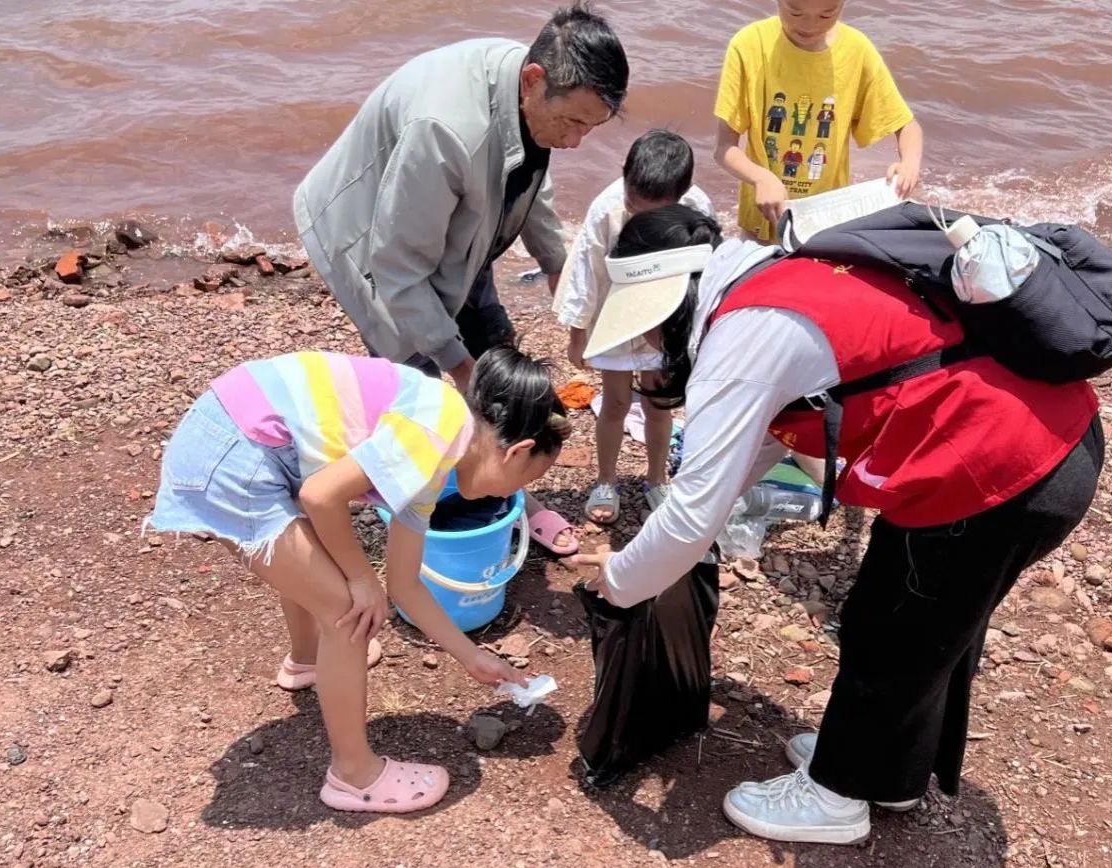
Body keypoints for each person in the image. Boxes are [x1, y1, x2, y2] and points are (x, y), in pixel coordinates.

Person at [571, 205, 1103, 845]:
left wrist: (619, 582)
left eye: (654, 328)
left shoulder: (745, 336)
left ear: (678, 299)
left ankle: (836, 797)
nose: (655, 348)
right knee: (914, 620)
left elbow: (691, 515)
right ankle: (889, 773)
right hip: (1032, 446)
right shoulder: (777, 282)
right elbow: (738, 464)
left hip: (999, 465)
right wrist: (682, 535)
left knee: (895, 632)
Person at [145, 347, 571, 813]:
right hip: (232, 452)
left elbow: (405, 586)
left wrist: (472, 657)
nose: (515, 492)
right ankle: (354, 775)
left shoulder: (440, 452)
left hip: (242, 437)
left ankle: (307, 662)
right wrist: (361, 578)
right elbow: (321, 496)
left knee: (321, 571)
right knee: (348, 610)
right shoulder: (436, 430)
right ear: (517, 451)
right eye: (527, 478)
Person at [294, 2, 629, 554]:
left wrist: (556, 264)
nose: (575, 142)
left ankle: (505, 485)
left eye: (589, 128)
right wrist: (457, 364)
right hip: (367, 235)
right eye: (572, 123)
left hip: (455, 227)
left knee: (495, 352)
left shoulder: (532, 92)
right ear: (533, 81)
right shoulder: (446, 130)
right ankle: (408, 502)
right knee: (423, 383)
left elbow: (528, 179)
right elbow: (398, 269)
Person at [553, 129, 714, 523]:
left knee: (659, 405)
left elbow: (705, 270)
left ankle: (656, 479)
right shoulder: (605, 209)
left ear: (682, 192)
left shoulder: (697, 206)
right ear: (624, 172)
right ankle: (605, 480)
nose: (644, 221)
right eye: (634, 206)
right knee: (616, 403)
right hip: (616, 315)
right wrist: (578, 335)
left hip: (664, 320)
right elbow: (586, 274)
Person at [713, 0, 924, 243]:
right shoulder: (749, 45)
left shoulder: (857, 51)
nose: (809, 25)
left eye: (826, 15)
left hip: (825, 219)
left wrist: (909, 164)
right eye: (795, 12)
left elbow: (907, 126)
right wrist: (761, 178)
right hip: (761, 220)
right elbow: (724, 148)